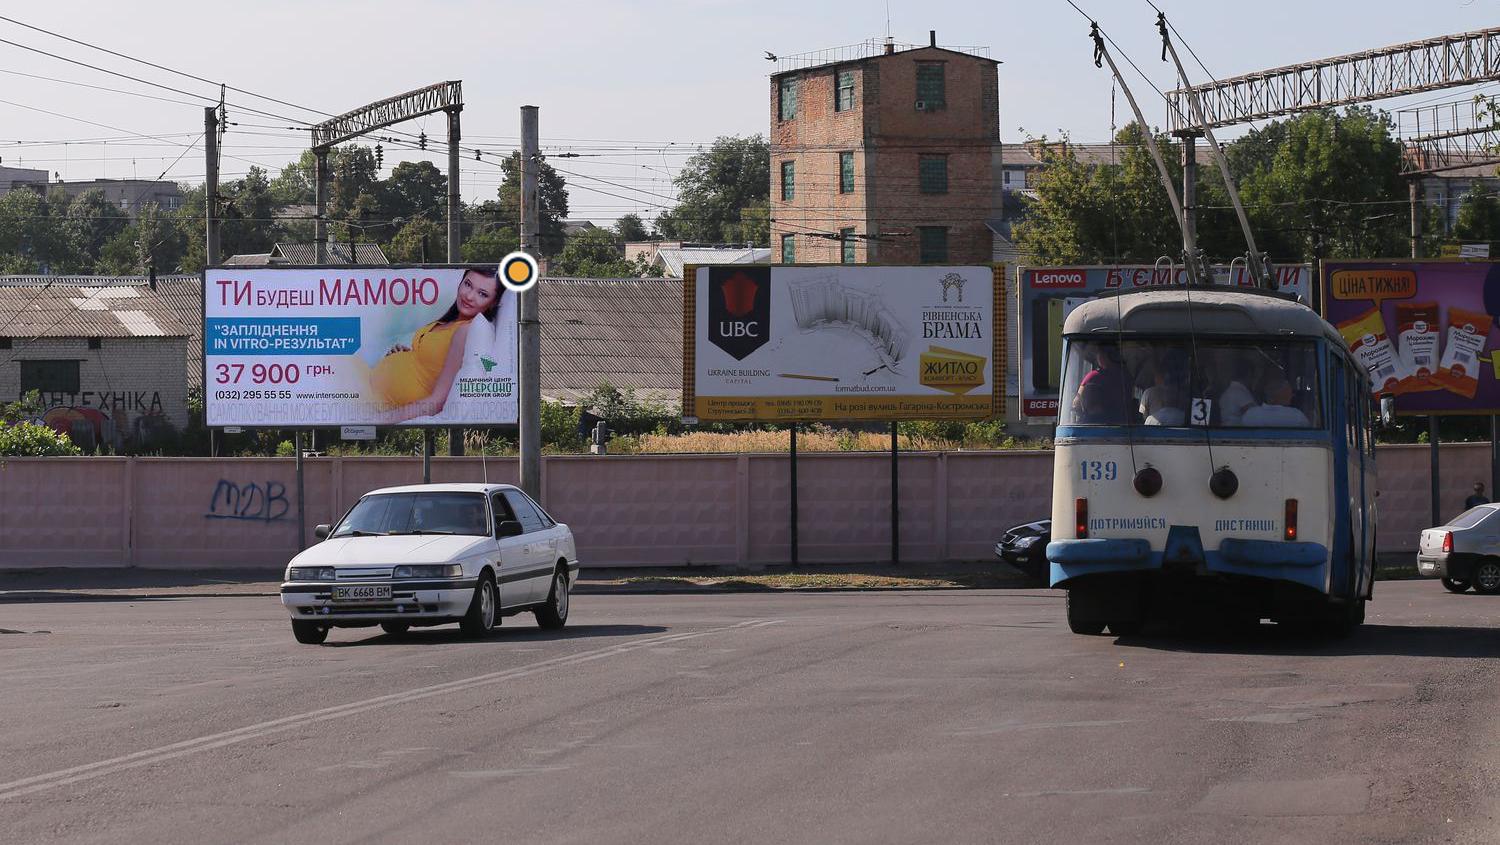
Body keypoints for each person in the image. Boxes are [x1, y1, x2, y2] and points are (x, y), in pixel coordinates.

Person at [370, 267, 502, 424]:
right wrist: (406, 355)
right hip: (374, 388)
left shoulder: (466, 330)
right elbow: (431, 363)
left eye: (482, 294)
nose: (469, 296)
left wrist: (378, 421)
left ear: (493, 303)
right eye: (468, 284)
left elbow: (437, 402)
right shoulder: (451, 321)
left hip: (384, 404)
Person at [1073, 345, 1130, 425]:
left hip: (1096, 422)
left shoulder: (1094, 376)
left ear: (1103, 356)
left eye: (1098, 353)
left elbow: (1076, 403)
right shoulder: (1126, 376)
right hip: (1125, 423)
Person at [1240, 377, 1311, 428]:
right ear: (1280, 395)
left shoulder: (1250, 414)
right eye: (1289, 393)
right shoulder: (1297, 416)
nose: (1292, 396)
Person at [1217, 353, 1258, 427]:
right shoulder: (1239, 392)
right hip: (1237, 432)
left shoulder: (1228, 392)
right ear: (1249, 373)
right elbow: (1255, 416)